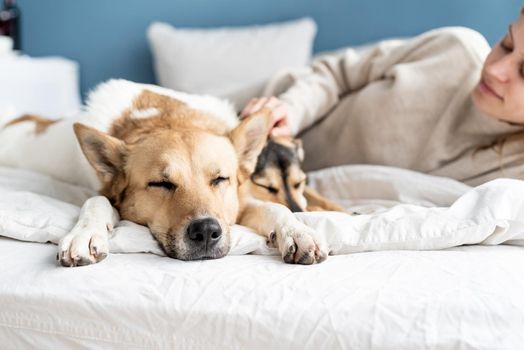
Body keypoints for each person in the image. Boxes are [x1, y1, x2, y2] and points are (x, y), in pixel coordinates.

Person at [241, 9, 524, 186]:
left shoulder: (512, 172)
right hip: (267, 106)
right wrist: (291, 109)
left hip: (287, 188)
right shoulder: (455, 48)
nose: (497, 69)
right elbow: (336, 74)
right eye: (506, 44)